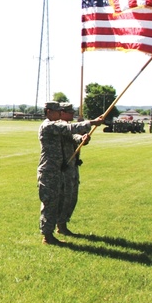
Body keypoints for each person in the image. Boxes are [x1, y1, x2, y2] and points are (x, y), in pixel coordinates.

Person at [38, 100, 102, 244]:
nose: (60, 114)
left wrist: (82, 138)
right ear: (48, 112)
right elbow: (68, 128)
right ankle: (47, 236)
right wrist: (92, 122)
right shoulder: (48, 126)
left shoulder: (59, 126)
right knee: (50, 203)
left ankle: (60, 227)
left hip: (61, 170)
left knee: (63, 200)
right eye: (57, 111)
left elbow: (71, 136)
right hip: (50, 172)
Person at [58, 102, 89, 235]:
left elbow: (74, 137)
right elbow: (69, 132)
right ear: (62, 112)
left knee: (71, 197)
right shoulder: (58, 125)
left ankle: (63, 224)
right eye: (70, 112)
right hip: (61, 167)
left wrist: (82, 137)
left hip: (72, 165)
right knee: (62, 197)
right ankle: (58, 226)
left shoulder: (69, 127)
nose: (73, 114)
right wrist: (86, 125)